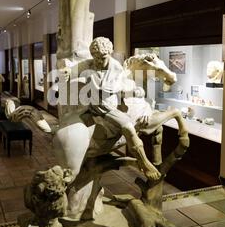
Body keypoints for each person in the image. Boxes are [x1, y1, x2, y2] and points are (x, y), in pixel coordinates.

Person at [66, 37, 161, 183]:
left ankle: (144, 162)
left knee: (128, 126)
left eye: (101, 58)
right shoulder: (90, 64)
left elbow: (124, 87)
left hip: (109, 108)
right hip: (92, 106)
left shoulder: (116, 68)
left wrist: (135, 91)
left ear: (109, 54)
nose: (98, 61)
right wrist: (68, 72)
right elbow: (75, 68)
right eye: (95, 58)